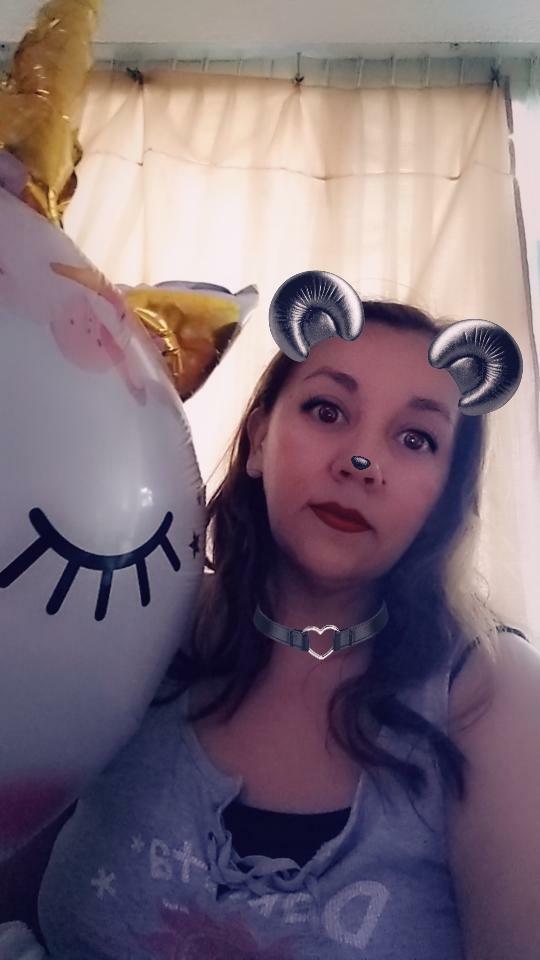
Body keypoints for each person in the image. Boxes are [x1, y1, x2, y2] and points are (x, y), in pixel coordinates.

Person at [2, 300, 528, 958]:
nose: (361, 460)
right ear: (258, 441)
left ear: (446, 494)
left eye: (416, 438)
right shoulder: (142, 621)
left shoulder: (491, 690)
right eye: (327, 411)